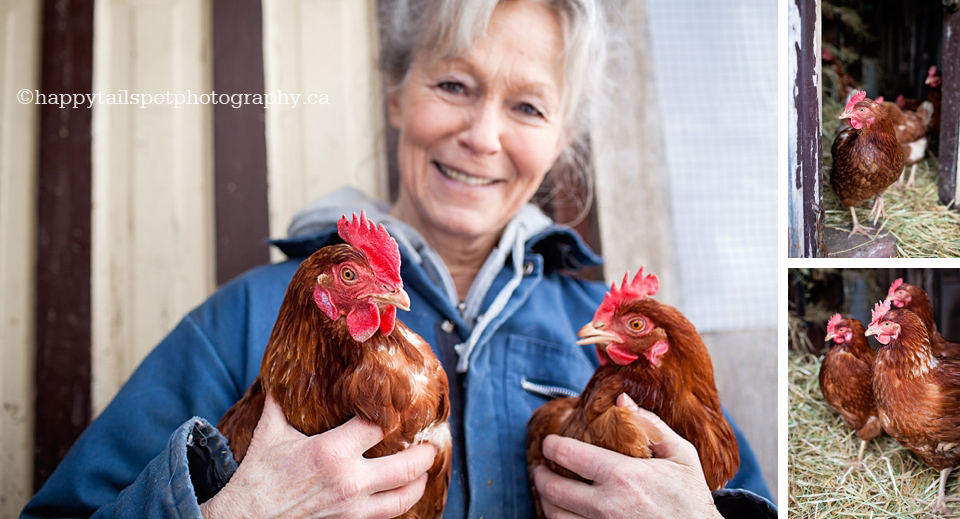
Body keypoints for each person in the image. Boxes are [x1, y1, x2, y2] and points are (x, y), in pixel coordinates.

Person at [23, 0, 776, 518]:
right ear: (396, 96)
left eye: (527, 106)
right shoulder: (247, 317)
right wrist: (233, 510)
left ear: (560, 140)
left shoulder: (622, 342)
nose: (482, 135)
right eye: (453, 84)